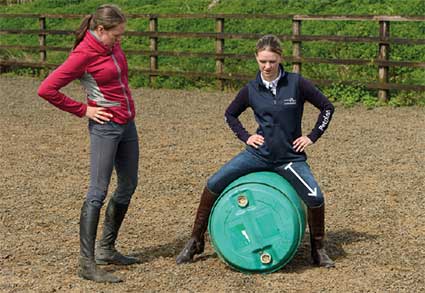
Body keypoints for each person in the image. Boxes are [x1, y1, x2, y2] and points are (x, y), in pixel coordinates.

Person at [176, 34, 335, 268]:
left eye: (272, 61)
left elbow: (327, 108)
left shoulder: (296, 83)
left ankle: (318, 250)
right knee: (213, 183)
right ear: (256, 59)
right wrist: (246, 136)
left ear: (280, 58)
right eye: (262, 61)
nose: (267, 66)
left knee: (315, 197)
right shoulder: (251, 89)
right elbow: (230, 114)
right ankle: (195, 241)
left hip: (289, 159)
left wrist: (311, 137)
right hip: (258, 155)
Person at [38, 4, 140, 283]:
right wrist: (84, 110)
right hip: (105, 129)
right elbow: (46, 89)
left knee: (129, 184)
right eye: (116, 36)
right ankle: (87, 263)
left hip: (127, 124)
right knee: (97, 192)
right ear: (100, 30)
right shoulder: (82, 55)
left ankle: (106, 248)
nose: (119, 41)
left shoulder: (111, 47)